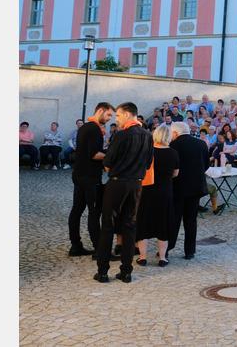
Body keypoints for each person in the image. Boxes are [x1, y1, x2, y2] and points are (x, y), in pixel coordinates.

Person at [95, 102, 154, 284]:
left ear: (128, 115)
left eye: (118, 116)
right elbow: (148, 162)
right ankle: (126, 272)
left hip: (117, 183)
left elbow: (108, 161)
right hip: (136, 185)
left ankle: (103, 271)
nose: (117, 119)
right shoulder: (148, 135)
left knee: (108, 226)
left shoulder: (121, 135)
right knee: (130, 226)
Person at [67, 102, 114, 257]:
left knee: (77, 210)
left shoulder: (84, 127)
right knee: (94, 212)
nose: (109, 119)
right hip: (90, 177)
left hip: (79, 174)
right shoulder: (94, 129)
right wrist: (111, 156)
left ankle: (76, 246)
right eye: (108, 115)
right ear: (100, 110)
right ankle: (100, 250)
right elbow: (94, 154)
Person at [134, 125, 178, 267]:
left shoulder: (147, 152)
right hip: (165, 191)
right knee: (163, 223)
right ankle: (163, 258)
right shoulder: (173, 153)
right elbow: (175, 174)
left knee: (144, 222)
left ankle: (142, 257)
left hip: (147, 190)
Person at [167, 121, 209, 260]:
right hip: (195, 188)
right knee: (191, 220)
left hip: (177, 187)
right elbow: (206, 165)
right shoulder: (201, 144)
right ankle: (189, 251)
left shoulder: (172, 145)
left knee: (174, 219)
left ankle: (167, 248)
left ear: (175, 133)